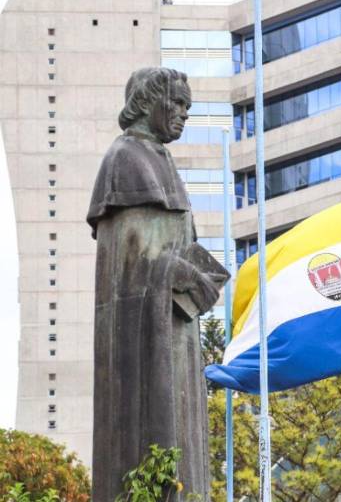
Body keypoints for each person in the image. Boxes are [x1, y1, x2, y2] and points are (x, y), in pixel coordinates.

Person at [87, 67, 227, 500]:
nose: (184, 114)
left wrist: (196, 274)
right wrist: (178, 273)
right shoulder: (126, 159)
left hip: (175, 328)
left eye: (188, 106)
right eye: (178, 104)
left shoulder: (161, 159)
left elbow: (174, 242)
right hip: (142, 338)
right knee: (153, 434)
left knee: (184, 439)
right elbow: (129, 263)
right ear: (148, 102)